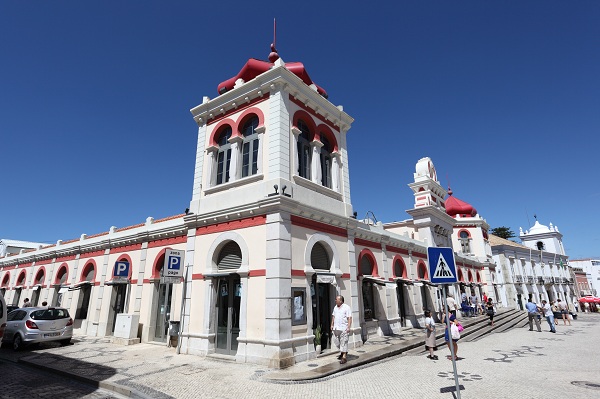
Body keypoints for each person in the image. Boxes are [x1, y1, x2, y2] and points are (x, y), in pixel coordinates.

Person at [331, 295, 352, 364]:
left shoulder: (346, 307)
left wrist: (348, 327)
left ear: (341, 301)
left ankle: (344, 357)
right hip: (336, 328)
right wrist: (332, 324)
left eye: (336, 299)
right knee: (336, 341)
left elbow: (349, 318)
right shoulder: (335, 308)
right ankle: (343, 351)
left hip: (343, 328)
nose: (335, 300)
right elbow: (333, 316)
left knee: (344, 342)